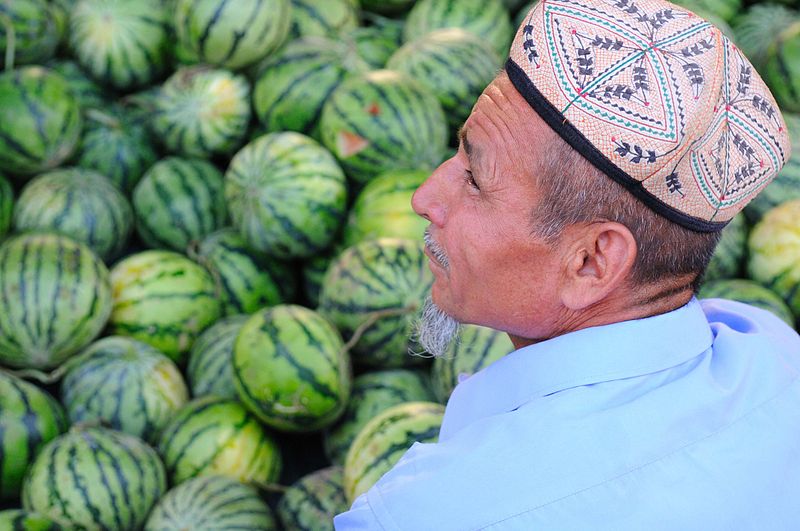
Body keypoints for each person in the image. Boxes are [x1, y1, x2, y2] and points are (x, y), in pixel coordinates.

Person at [335, 0, 800, 528]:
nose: (424, 198)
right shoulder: (772, 349)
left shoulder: (425, 515)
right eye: (459, 153)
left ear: (591, 263)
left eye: (475, 179)